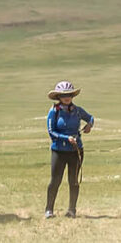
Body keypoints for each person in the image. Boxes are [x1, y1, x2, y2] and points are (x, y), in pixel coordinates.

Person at [45, 81, 93, 218]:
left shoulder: (78, 110)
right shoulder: (53, 112)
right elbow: (51, 132)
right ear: (58, 96)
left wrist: (89, 125)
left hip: (76, 151)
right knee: (55, 181)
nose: (67, 97)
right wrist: (66, 138)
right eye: (63, 95)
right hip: (58, 151)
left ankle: (72, 210)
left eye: (69, 94)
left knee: (73, 180)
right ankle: (49, 209)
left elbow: (91, 118)